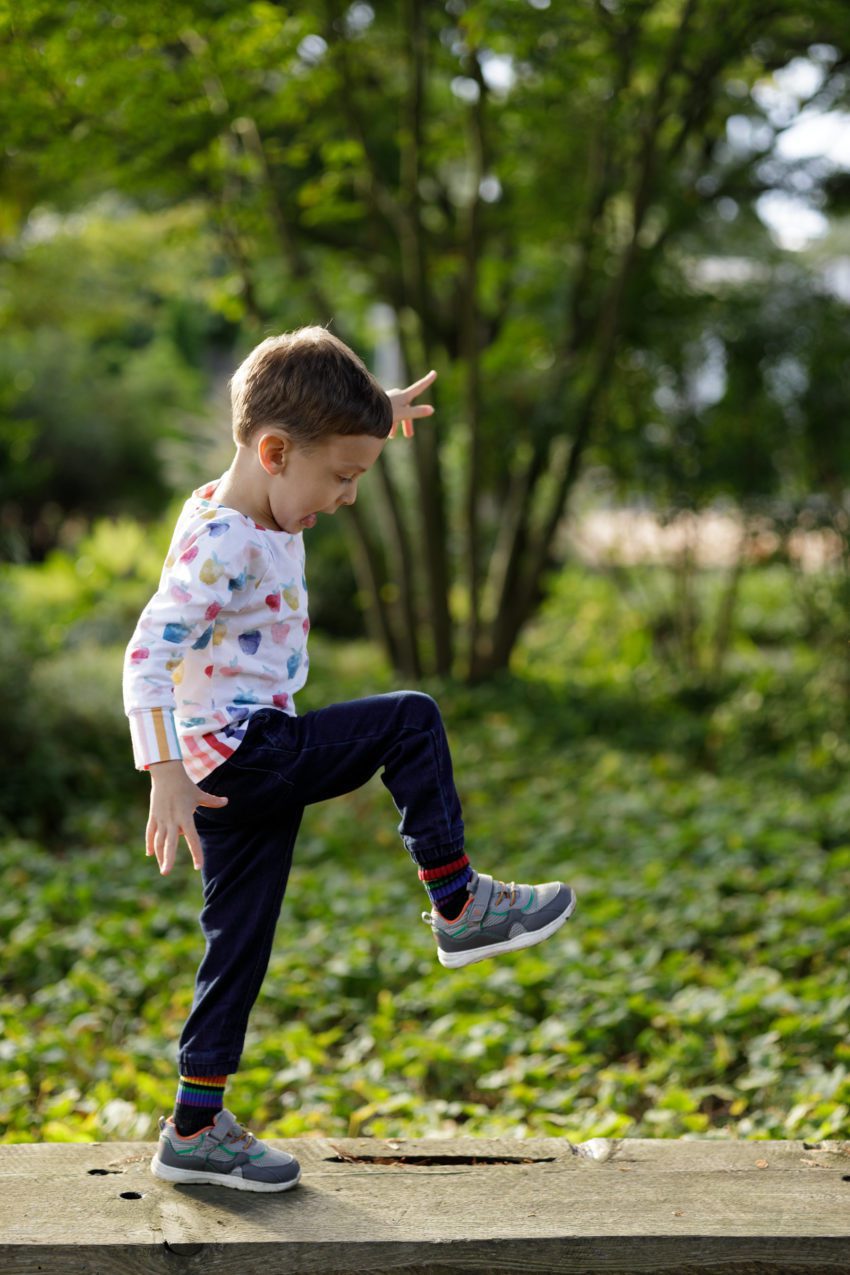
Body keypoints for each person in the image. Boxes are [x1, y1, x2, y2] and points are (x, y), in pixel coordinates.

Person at [122, 325, 577, 1193]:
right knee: (409, 719)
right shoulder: (223, 543)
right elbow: (147, 651)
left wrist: (377, 413)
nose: (347, 498)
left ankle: (194, 1125)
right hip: (243, 752)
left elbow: (300, 424)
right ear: (275, 450)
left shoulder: (247, 491)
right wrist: (164, 769)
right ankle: (458, 901)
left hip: (238, 774)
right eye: (343, 477)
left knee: (237, 949)